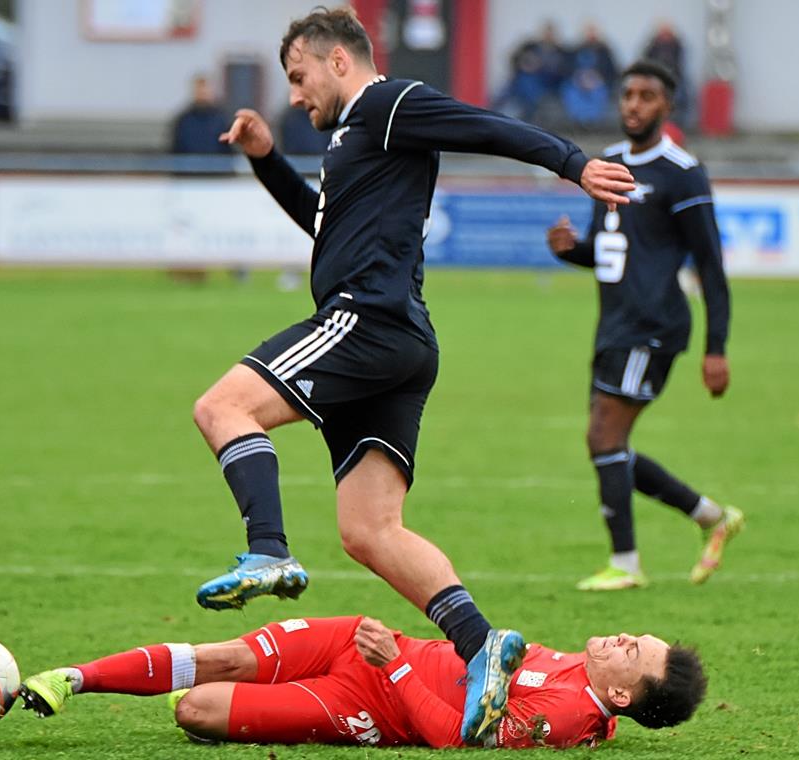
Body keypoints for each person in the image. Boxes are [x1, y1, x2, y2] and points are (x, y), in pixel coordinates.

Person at [189, 6, 635, 744]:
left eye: (299, 78)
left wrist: (572, 162)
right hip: (399, 342)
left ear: (339, 60)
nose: (295, 96)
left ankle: (267, 549)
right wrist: (268, 158)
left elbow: (485, 125)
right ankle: (481, 642)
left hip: (365, 321)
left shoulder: (387, 104)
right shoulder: (355, 137)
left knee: (222, 407)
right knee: (370, 530)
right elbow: (326, 226)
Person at [546, 60, 744, 592]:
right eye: (628, 94)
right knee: (609, 446)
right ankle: (711, 517)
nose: (634, 104)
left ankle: (626, 564)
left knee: (603, 436)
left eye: (646, 96)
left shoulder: (681, 172)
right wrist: (573, 252)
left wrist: (716, 347)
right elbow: (612, 253)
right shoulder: (606, 163)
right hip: (612, 325)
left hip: (654, 328)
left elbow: (710, 265)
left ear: (666, 107)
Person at [17, 614, 707, 749]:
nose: (623, 637)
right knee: (222, 655)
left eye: (632, 651)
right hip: (368, 641)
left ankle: (198, 697)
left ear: (620, 694)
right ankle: (70, 679)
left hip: (369, 698)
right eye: (635, 635)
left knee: (195, 711)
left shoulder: (564, 716)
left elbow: (452, 739)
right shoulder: (586, 686)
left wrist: (397, 667)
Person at [492, 21, 569, 123]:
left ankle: (522, 112)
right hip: (525, 78)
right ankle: (496, 110)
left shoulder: (561, 51)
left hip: (548, 83)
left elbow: (564, 71)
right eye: (546, 33)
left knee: (526, 84)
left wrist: (542, 67)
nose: (548, 36)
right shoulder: (530, 46)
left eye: (550, 33)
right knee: (515, 84)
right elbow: (513, 58)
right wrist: (524, 64)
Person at [560, 22, 619, 130]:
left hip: (598, 83)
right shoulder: (575, 50)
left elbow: (612, 71)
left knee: (599, 94)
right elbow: (566, 68)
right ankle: (578, 122)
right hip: (576, 84)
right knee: (571, 93)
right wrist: (578, 78)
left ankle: (592, 123)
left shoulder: (605, 51)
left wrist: (598, 78)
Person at [169, 74, 233, 156]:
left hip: (217, 167)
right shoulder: (183, 120)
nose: (203, 93)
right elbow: (175, 149)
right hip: (188, 166)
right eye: (199, 90)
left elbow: (229, 149)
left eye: (205, 90)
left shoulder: (223, 119)